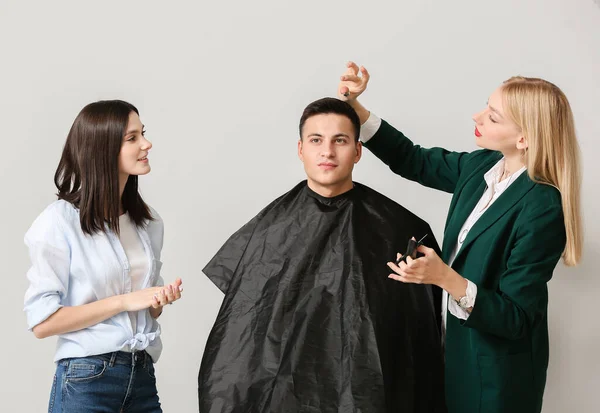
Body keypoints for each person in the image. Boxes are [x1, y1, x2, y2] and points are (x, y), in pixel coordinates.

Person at [337, 62, 582, 413]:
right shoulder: (480, 166)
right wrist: (356, 108)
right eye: (486, 105)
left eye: (493, 117)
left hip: (498, 374)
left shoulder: (542, 205)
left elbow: (516, 319)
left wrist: (444, 277)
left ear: (524, 138)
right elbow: (412, 159)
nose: (477, 116)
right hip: (456, 352)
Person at [198, 97, 447, 413]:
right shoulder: (267, 232)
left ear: (357, 151)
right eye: (316, 140)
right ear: (301, 149)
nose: (327, 152)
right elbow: (240, 341)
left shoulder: (401, 230)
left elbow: (418, 343)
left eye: (340, 141)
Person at [23, 100, 183, 413]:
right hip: (88, 380)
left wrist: (157, 301)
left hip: (142, 376)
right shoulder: (60, 221)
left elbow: (146, 313)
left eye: (143, 134)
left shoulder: (148, 223)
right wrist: (125, 301)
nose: (146, 144)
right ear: (103, 148)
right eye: (132, 138)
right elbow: (41, 322)